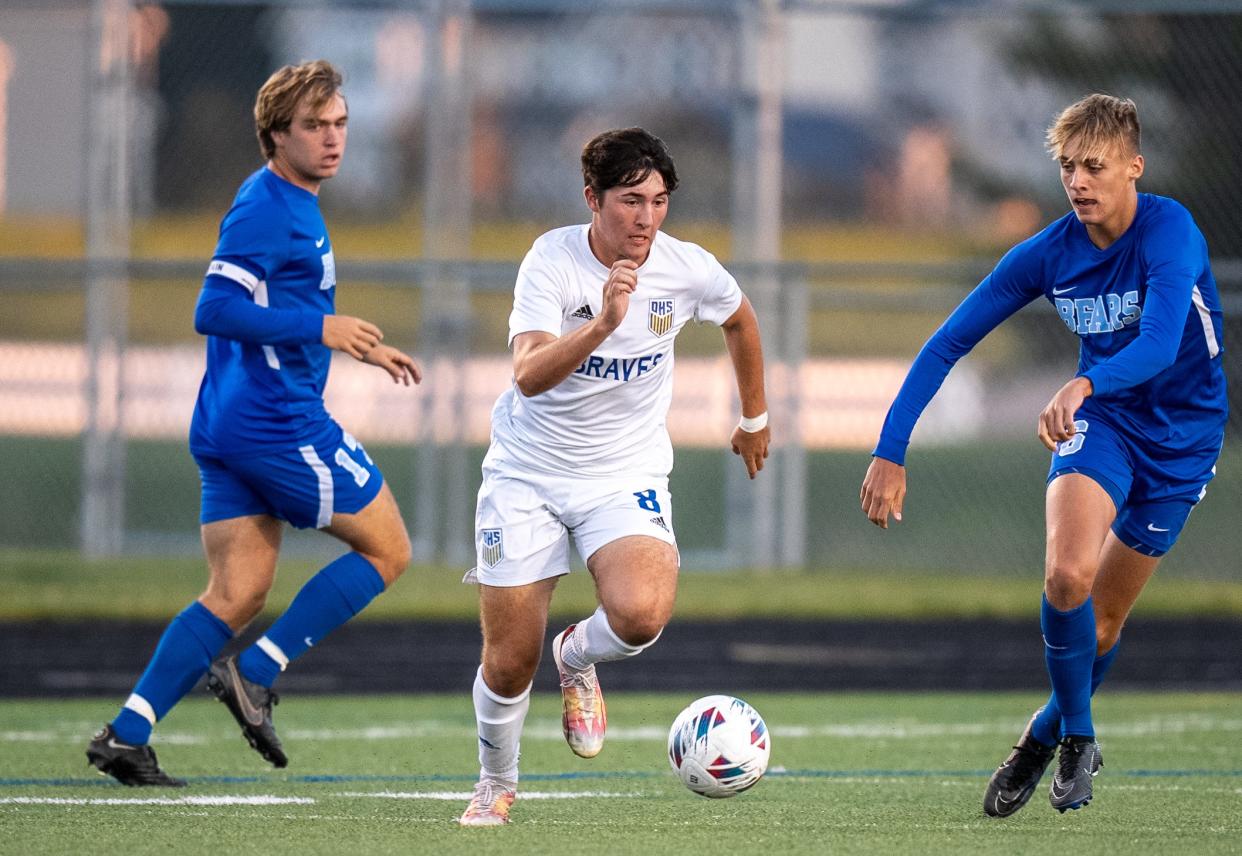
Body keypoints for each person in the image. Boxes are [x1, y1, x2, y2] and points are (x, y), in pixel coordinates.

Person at [860, 94, 1226, 816]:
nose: (1079, 182)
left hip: (1185, 436)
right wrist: (890, 449)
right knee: (1066, 575)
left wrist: (1084, 377)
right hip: (1105, 424)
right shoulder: (1049, 252)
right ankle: (1079, 739)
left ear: (1133, 167)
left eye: (1095, 166)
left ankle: (1039, 734)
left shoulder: (1169, 230)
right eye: (1067, 167)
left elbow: (1156, 344)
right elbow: (948, 343)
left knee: (1104, 627)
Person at [86, 60, 422, 786]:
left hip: (232, 421)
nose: (332, 139)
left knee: (237, 594)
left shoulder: (287, 196)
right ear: (275, 134)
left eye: (339, 124)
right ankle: (260, 673)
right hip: (277, 426)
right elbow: (212, 308)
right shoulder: (269, 207)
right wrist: (322, 328)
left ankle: (127, 733)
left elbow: (278, 312)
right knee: (390, 550)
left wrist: (350, 342)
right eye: (314, 126)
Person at [456, 127, 770, 826]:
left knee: (641, 614)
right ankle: (495, 783)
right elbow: (529, 375)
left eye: (659, 202)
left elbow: (741, 320)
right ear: (592, 199)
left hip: (622, 472)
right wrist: (603, 324)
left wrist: (755, 417)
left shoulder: (685, 267)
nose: (647, 219)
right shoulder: (552, 261)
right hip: (526, 473)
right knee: (508, 661)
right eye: (631, 201)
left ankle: (576, 655)